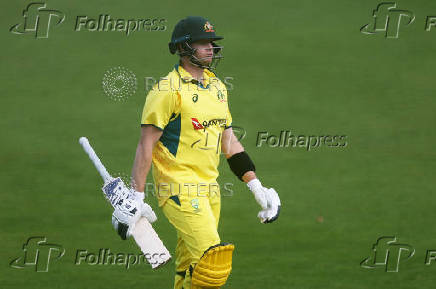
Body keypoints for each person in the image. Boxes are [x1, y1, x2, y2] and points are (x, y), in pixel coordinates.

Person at [125, 16, 280, 289]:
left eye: (212, 43)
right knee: (213, 266)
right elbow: (145, 144)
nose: (210, 48)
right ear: (184, 48)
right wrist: (136, 196)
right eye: (202, 43)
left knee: (189, 270)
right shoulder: (167, 90)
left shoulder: (218, 87)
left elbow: (229, 142)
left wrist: (256, 186)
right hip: (178, 189)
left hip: (210, 190)